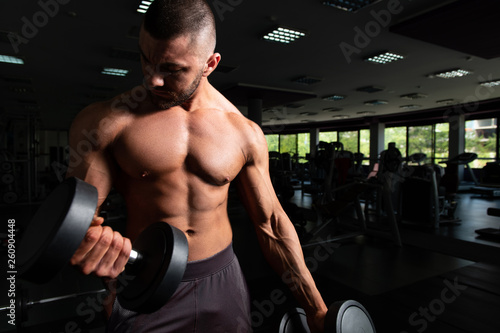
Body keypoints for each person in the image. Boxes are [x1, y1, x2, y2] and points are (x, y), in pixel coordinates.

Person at [66, 0, 327, 331]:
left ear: (210, 64)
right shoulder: (108, 123)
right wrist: (88, 245)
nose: (153, 81)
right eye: (146, 60)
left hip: (222, 279)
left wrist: (315, 308)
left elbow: (272, 224)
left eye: (172, 70)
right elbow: (75, 223)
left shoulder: (243, 132)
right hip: (147, 277)